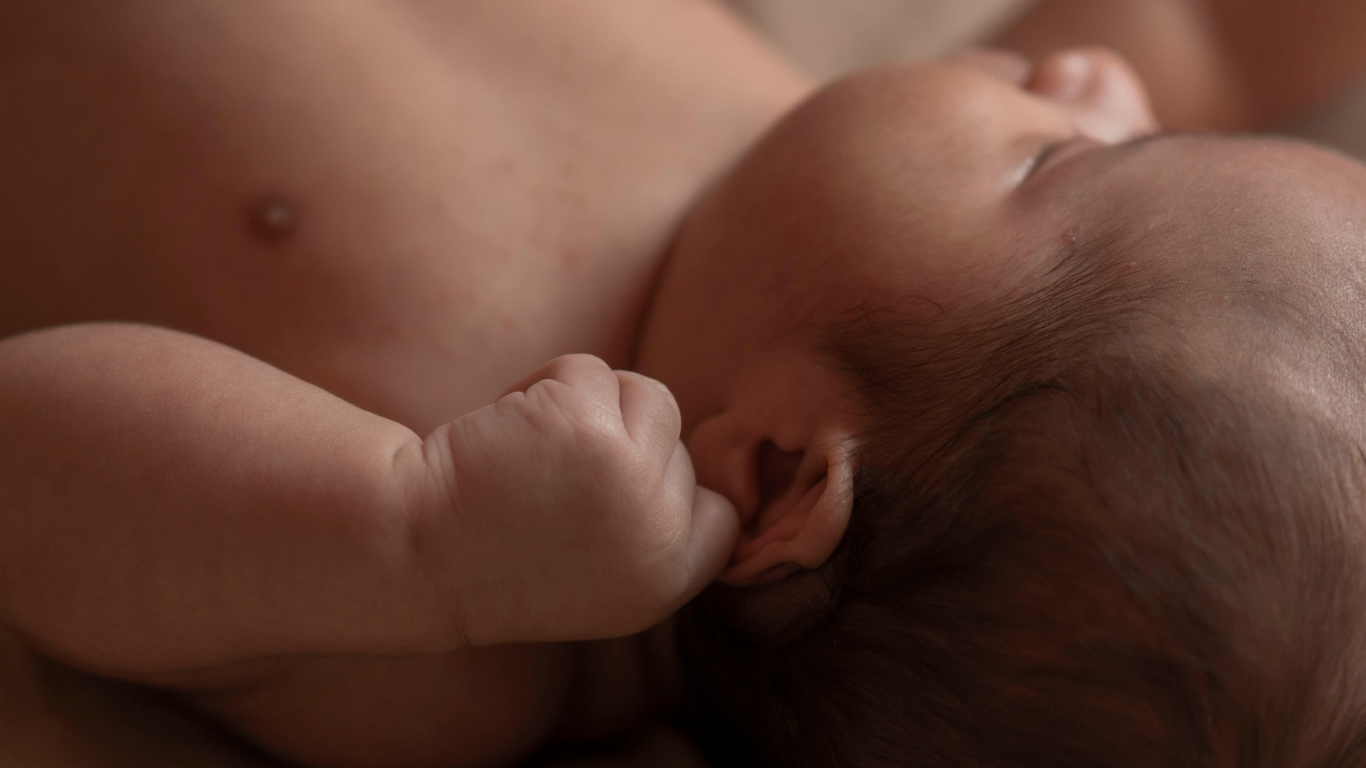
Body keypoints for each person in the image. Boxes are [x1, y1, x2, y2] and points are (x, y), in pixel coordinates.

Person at [3, 2, 1366, 767]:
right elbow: (1193, 30)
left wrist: (407, 540)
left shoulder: (462, 640)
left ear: (776, 471)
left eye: (1060, 164)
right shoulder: (797, 196)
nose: (1094, 80)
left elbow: (27, 474)